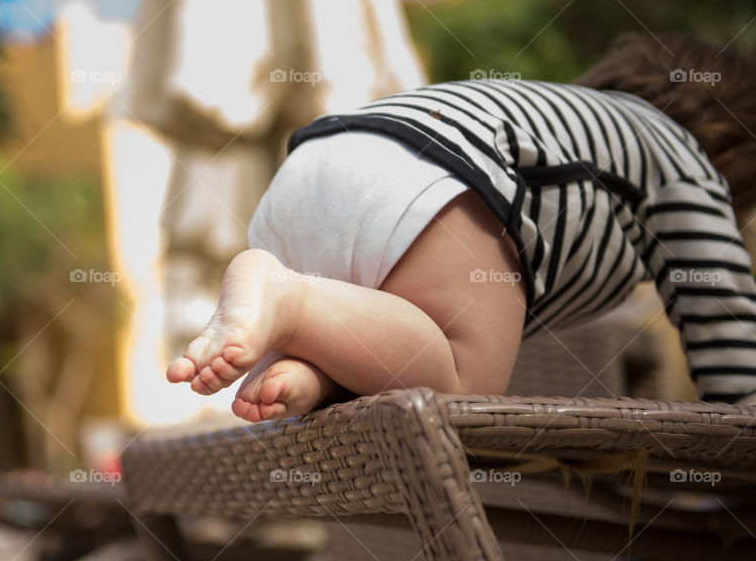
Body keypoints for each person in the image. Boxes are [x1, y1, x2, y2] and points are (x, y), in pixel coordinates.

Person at [166, 33, 756, 423]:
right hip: (438, 171)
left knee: (398, 353)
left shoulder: (570, 121)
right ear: (731, 161)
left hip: (309, 172)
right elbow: (721, 313)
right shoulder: (683, 158)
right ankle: (291, 301)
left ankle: (313, 362)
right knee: (460, 389)